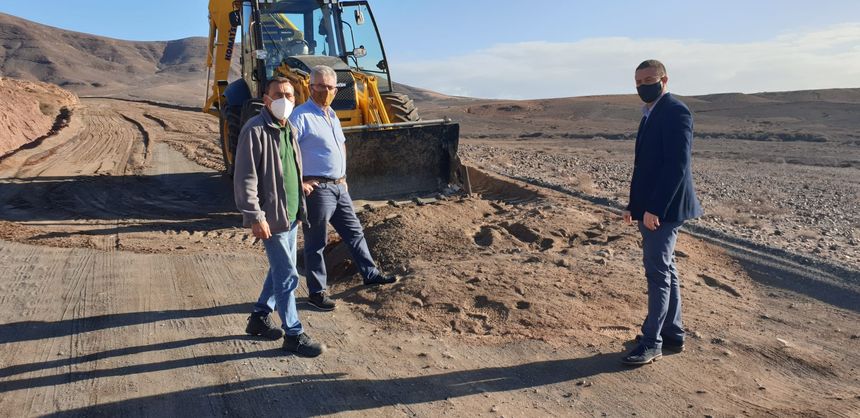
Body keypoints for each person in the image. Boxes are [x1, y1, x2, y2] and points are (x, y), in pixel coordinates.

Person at [290, 65, 397, 311]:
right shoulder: (301, 116)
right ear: (310, 86)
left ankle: (370, 274)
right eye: (320, 87)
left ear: (336, 91)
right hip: (317, 189)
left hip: (339, 187)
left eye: (330, 88)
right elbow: (287, 151)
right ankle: (317, 292)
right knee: (316, 242)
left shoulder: (333, 116)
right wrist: (300, 182)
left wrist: (344, 176)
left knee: (355, 232)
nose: (325, 92)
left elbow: (342, 145)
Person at [234, 76, 325, 357]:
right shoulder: (255, 130)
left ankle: (259, 318)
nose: (284, 99)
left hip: (291, 214)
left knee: (278, 269)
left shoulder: (289, 129)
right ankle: (294, 334)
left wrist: (301, 186)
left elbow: (286, 167)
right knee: (287, 275)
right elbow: (245, 179)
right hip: (271, 218)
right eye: (278, 94)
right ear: (266, 99)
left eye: (289, 94)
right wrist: (254, 215)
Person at [621, 59, 703, 366]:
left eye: (648, 80)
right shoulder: (649, 114)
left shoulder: (675, 112)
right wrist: (634, 205)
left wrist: (654, 209)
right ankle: (673, 334)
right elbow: (645, 167)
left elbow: (676, 167)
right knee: (666, 270)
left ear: (664, 79)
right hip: (651, 208)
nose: (643, 86)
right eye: (638, 82)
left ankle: (652, 341)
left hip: (664, 210)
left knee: (657, 273)